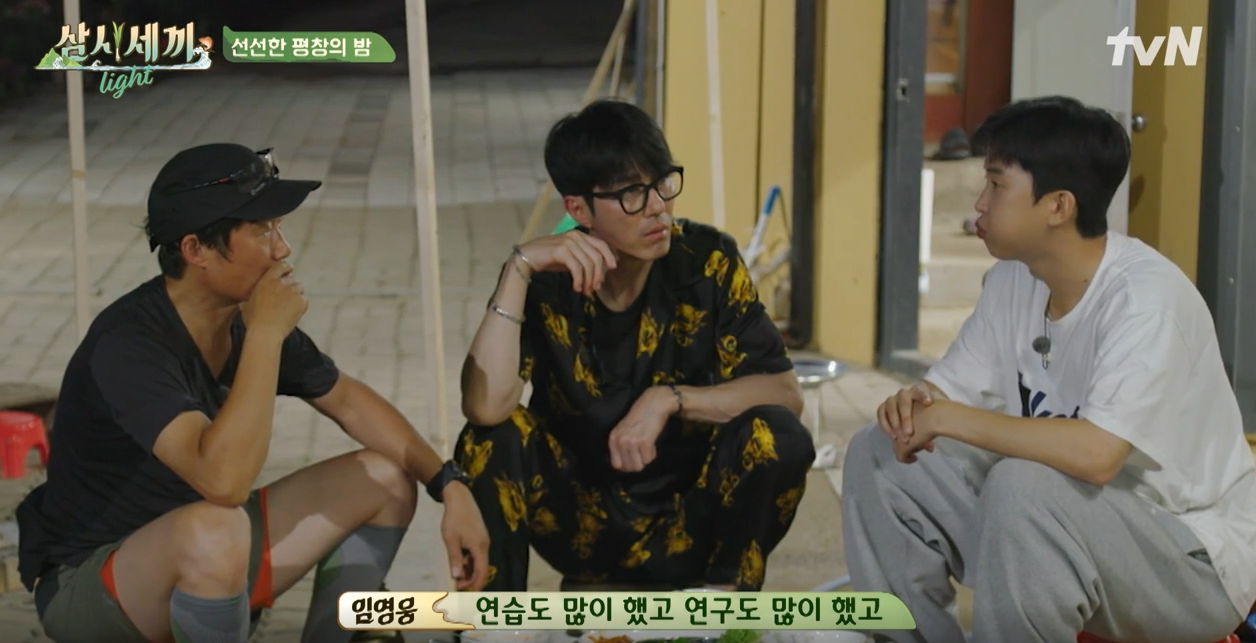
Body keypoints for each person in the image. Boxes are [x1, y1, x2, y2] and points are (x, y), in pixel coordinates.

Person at [15, 143, 490, 643]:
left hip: (209, 553)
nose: (282, 249)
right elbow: (224, 484)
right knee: (217, 528)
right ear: (196, 250)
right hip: (96, 585)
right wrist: (265, 334)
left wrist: (450, 487)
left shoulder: (238, 319)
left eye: (278, 228)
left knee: (385, 479)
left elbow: (348, 400)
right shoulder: (130, 344)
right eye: (262, 231)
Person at [841, 96, 1256, 643]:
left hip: (1190, 561)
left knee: (1023, 486)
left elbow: (1097, 455)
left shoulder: (1147, 300)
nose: (980, 202)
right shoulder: (1015, 279)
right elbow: (945, 391)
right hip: (1063, 524)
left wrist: (945, 417)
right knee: (879, 451)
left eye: (996, 184)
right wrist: (914, 406)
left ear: (1058, 206)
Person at [457, 99, 814, 591]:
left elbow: (785, 394)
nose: (657, 207)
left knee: (779, 435)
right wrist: (518, 268)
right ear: (578, 209)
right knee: (490, 439)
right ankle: (498, 618)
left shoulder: (706, 261)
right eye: (631, 194)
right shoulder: (548, 283)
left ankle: (723, 608)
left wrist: (670, 399)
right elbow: (483, 408)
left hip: (691, 519)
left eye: (662, 183)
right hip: (581, 523)